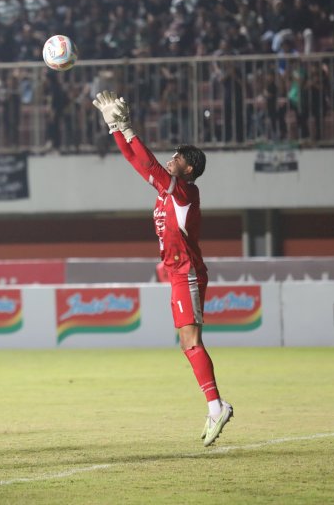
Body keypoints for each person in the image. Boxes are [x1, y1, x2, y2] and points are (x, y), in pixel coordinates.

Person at [92, 92, 233, 447]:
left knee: (190, 341)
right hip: (177, 273)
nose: (170, 161)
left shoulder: (185, 192)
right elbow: (138, 164)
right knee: (187, 343)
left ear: (188, 169)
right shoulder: (166, 193)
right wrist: (114, 128)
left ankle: (217, 406)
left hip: (186, 271)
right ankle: (215, 405)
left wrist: (127, 126)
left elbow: (150, 166)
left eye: (177, 159)